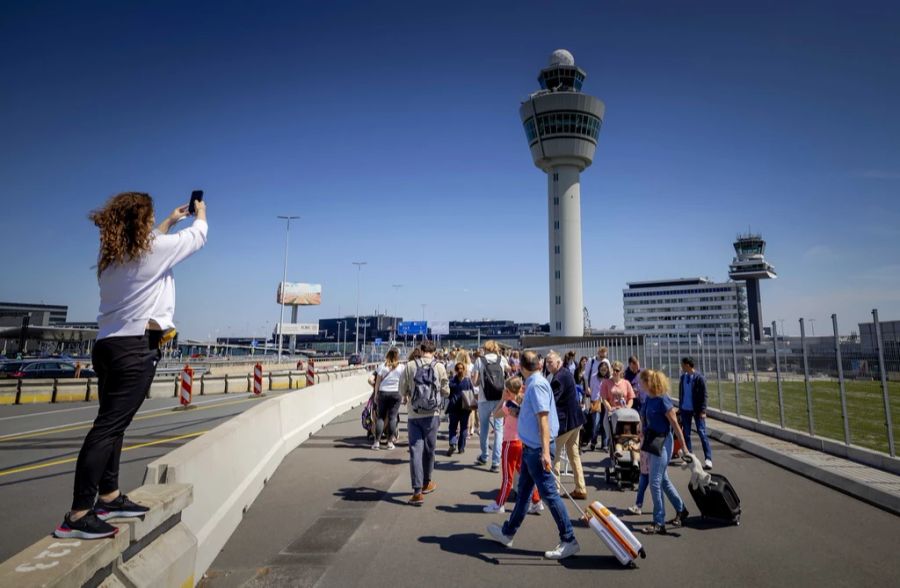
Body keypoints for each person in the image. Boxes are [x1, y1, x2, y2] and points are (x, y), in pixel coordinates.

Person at [55, 192, 208, 539]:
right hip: (134, 349)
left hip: (108, 345)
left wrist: (169, 220)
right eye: (150, 217)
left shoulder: (111, 257)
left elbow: (150, 241)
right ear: (140, 223)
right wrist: (201, 214)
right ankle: (79, 513)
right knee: (108, 428)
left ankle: (108, 496)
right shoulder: (150, 252)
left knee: (114, 426)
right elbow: (198, 237)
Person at [486, 350, 579, 559]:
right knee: (524, 494)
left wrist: (546, 452)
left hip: (537, 449)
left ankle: (569, 538)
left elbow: (543, 419)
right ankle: (507, 532)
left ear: (521, 366)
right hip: (531, 447)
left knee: (549, 495)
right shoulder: (538, 382)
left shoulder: (536, 385)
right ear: (538, 364)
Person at [639, 369, 690, 535]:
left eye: (642, 382)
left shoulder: (663, 400)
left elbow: (675, 425)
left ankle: (658, 521)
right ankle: (681, 509)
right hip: (652, 441)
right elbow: (644, 417)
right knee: (663, 481)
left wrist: (684, 448)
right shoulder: (649, 398)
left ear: (649, 383)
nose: (640, 385)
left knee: (655, 481)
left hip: (662, 442)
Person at [400, 340, 450, 506]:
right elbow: (446, 390)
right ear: (434, 351)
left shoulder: (410, 366)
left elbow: (402, 390)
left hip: (414, 415)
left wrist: (410, 392)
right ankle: (427, 481)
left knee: (415, 451)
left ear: (421, 350)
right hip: (432, 414)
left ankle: (417, 492)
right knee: (430, 450)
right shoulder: (440, 366)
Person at [483, 376, 542, 513]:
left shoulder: (509, 405)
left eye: (506, 390)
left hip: (509, 442)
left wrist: (503, 399)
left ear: (509, 391)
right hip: (521, 442)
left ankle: (500, 503)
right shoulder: (523, 402)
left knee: (507, 477)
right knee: (525, 474)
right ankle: (537, 500)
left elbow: (495, 414)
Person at [545, 351, 587, 499]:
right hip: (575, 420)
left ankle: (554, 489)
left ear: (559, 362)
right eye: (547, 362)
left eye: (551, 362)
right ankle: (580, 487)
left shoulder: (558, 378)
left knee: (554, 455)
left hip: (565, 422)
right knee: (573, 454)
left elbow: (552, 401)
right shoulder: (565, 373)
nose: (548, 364)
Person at [473, 341, 509, 472]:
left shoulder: (479, 361)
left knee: (484, 428)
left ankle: (484, 456)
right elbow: (510, 372)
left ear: (485, 348)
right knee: (498, 429)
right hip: (499, 398)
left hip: (484, 398)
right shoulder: (502, 359)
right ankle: (496, 462)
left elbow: (475, 383)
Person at [679, 357, 713, 470]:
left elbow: (704, 395)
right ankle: (690, 458)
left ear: (688, 365)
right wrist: (680, 407)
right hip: (685, 409)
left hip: (697, 410)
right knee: (686, 434)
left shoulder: (699, 378)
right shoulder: (683, 377)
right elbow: (681, 393)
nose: (682, 367)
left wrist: (703, 410)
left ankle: (708, 459)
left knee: (702, 433)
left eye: (683, 365)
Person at [372, 347, 405, 450]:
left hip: (383, 393)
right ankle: (390, 442)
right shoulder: (401, 367)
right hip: (396, 393)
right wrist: (404, 395)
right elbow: (403, 382)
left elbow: (377, 382)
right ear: (397, 356)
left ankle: (377, 442)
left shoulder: (382, 366)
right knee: (392, 417)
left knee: (381, 417)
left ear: (387, 355)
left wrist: (376, 394)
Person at [600, 360, 636, 446]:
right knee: (609, 428)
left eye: (617, 370)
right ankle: (611, 442)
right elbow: (604, 398)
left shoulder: (626, 383)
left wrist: (628, 407)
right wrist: (609, 408)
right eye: (613, 370)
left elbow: (631, 398)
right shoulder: (606, 382)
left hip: (624, 411)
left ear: (621, 372)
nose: (615, 372)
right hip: (612, 410)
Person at [584, 347, 612, 450]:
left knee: (605, 421)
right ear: (598, 353)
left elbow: (610, 376)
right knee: (595, 421)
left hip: (605, 399)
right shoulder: (591, 361)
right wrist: (587, 388)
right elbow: (586, 376)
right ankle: (594, 440)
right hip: (595, 398)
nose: (603, 357)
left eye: (605, 356)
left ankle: (604, 443)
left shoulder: (607, 362)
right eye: (602, 355)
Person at [446, 362, 474, 456]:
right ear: (464, 370)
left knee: (452, 427)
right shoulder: (467, 381)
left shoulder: (451, 381)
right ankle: (461, 447)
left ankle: (453, 442)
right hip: (465, 407)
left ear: (455, 370)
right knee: (464, 428)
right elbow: (472, 393)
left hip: (454, 407)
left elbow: (447, 394)